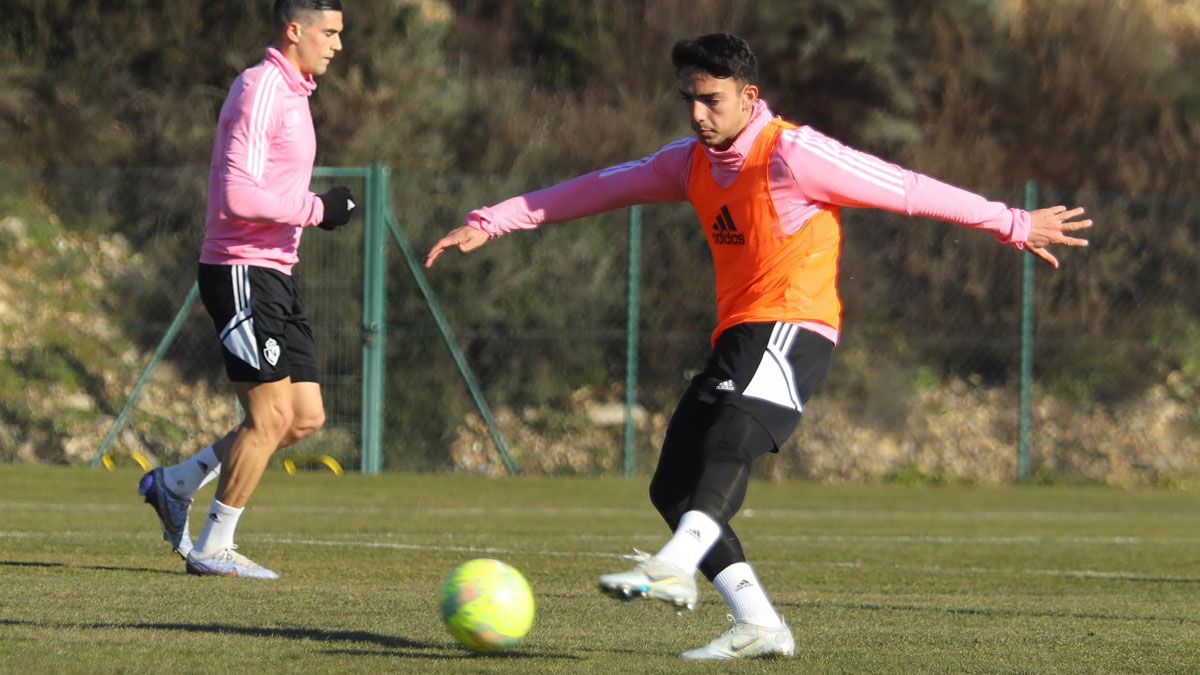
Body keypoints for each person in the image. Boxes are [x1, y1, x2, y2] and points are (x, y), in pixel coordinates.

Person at [425, 33, 1091, 659]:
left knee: (726, 446)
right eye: (688, 97)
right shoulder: (689, 164)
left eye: (710, 98)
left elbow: (906, 188)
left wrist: (1012, 222)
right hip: (741, 335)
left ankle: (677, 566)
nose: (696, 112)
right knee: (673, 483)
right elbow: (599, 187)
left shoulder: (792, 153)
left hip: (795, 329)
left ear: (748, 96)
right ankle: (757, 621)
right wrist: (494, 221)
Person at [138, 0, 356, 580]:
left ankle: (177, 483)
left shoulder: (297, 94)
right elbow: (237, 196)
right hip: (240, 269)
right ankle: (213, 547)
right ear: (294, 31)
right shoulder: (261, 88)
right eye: (328, 33)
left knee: (303, 417)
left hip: (275, 273)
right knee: (269, 416)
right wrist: (319, 209)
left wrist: (315, 213)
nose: (337, 44)